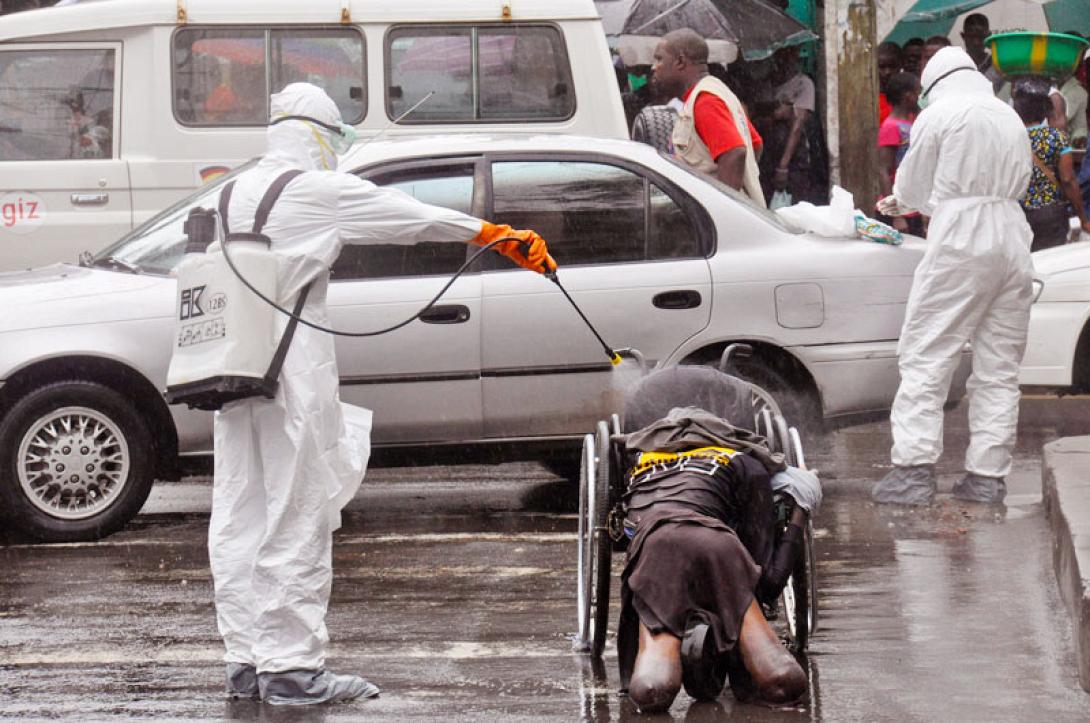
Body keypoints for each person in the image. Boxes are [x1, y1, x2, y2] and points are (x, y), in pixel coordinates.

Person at [206, 82, 553, 705]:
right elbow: (407, 217)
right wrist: (492, 233)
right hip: (292, 367)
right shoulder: (313, 189)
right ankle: (292, 670)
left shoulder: (232, 190)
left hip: (234, 372)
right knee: (297, 510)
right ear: (317, 135)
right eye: (335, 137)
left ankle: (246, 662)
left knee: (241, 514)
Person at [871, 47, 1034, 506]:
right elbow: (1019, 183)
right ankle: (987, 477)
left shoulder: (939, 113)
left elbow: (914, 186)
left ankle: (914, 471)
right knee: (999, 368)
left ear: (932, 83)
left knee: (927, 353)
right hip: (1012, 237)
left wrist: (902, 202)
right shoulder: (1008, 117)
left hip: (961, 237)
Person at [615, 368, 817, 713]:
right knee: (784, 681)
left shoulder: (644, 460)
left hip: (654, 546)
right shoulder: (743, 462)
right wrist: (800, 513)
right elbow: (766, 581)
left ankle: (658, 665)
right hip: (716, 546)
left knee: (652, 689)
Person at [651, 28, 765, 206]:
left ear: (680, 62)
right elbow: (756, 144)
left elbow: (734, 153)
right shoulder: (714, 93)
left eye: (659, 59)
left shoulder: (705, 100)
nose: (653, 67)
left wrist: (722, 210)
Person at [1012, 77, 1090, 251]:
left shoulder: (1009, 139)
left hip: (1017, 214)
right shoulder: (1056, 138)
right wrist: (1082, 217)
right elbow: (1068, 179)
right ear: (1044, 112)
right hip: (1050, 215)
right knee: (1049, 261)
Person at [756, 45, 820, 205]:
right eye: (781, 54)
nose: (784, 58)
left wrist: (783, 166)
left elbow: (797, 127)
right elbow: (757, 120)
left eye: (790, 53)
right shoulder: (766, 85)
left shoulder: (803, 84)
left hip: (794, 159)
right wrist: (777, 115)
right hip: (768, 156)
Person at [877, 72, 923, 236]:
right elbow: (883, 170)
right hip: (898, 212)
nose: (920, 97)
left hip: (910, 207)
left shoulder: (910, 124)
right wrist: (896, 215)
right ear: (908, 96)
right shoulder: (891, 127)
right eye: (918, 92)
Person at [960, 13, 1004, 93]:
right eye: (971, 37)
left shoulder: (999, 67)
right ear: (963, 36)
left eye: (981, 37)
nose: (976, 42)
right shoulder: (956, 65)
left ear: (989, 36)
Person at [877, 42, 903, 124]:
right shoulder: (867, 100)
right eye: (882, 67)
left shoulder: (907, 99)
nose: (887, 72)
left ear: (901, 66)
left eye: (892, 66)